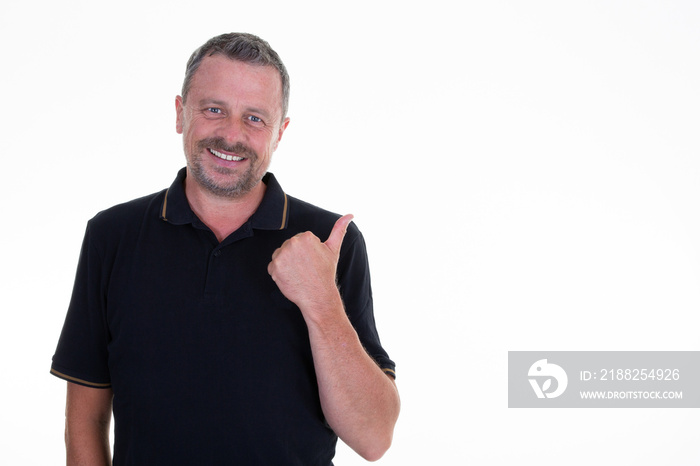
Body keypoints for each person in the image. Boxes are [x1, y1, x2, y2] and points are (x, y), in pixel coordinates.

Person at [50, 32, 399, 465]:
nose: (231, 135)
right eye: (214, 109)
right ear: (180, 114)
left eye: (255, 118)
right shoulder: (112, 235)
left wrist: (321, 301)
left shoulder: (329, 242)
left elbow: (374, 437)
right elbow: (84, 419)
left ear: (280, 132)